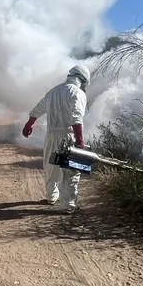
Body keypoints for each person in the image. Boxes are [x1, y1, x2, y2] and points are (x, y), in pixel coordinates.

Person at [22, 64, 90, 215]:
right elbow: (77, 118)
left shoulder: (54, 91)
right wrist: (80, 142)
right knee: (71, 171)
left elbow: (39, 108)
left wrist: (29, 123)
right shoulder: (77, 93)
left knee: (50, 166)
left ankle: (51, 197)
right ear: (83, 79)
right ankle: (68, 205)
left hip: (51, 134)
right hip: (68, 135)